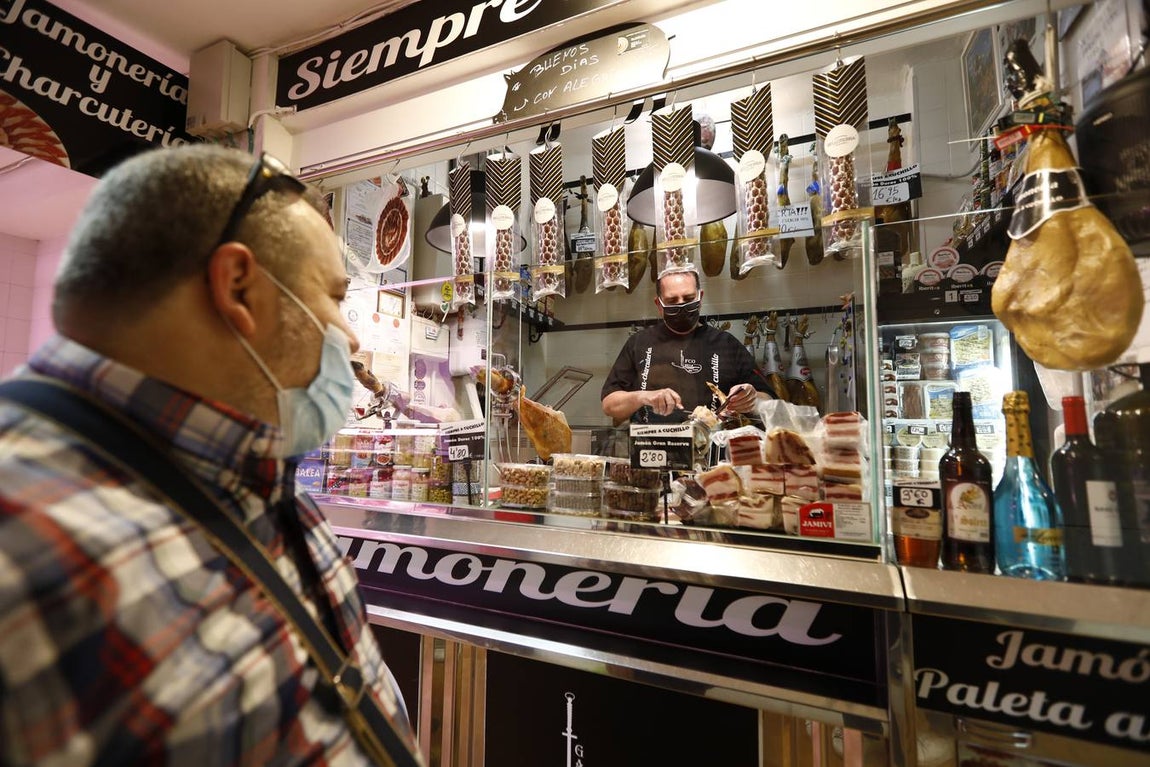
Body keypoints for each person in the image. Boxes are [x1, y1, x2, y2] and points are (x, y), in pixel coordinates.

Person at [0, 145, 422, 766]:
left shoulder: (257, 475)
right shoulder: (25, 559)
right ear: (239, 287)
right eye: (334, 296)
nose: (351, 336)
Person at [601, 270, 775, 423]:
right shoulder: (639, 342)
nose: (682, 304)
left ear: (700, 298)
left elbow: (767, 400)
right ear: (659, 305)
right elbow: (609, 404)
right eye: (672, 300)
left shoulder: (726, 344)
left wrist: (751, 398)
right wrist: (642, 396)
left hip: (711, 452)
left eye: (689, 298)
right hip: (650, 450)